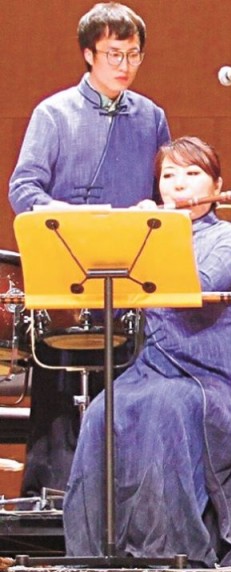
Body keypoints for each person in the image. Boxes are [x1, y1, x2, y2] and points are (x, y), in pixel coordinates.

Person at [63, 136, 231, 567]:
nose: (179, 184)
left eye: (193, 174)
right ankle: (95, 554)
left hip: (213, 380)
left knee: (165, 408)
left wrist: (156, 237)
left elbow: (195, 286)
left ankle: (171, 555)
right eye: (168, 175)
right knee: (102, 411)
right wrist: (127, 238)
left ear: (217, 185)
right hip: (153, 369)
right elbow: (106, 308)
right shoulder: (147, 238)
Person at [8, 2, 170, 497]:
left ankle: (125, 505)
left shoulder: (151, 117)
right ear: (88, 54)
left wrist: (156, 204)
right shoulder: (53, 113)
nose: (125, 65)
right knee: (60, 396)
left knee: (126, 394)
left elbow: (165, 190)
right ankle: (51, 502)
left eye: (133, 54)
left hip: (128, 280)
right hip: (68, 276)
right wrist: (65, 213)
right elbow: (23, 188)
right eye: (113, 54)